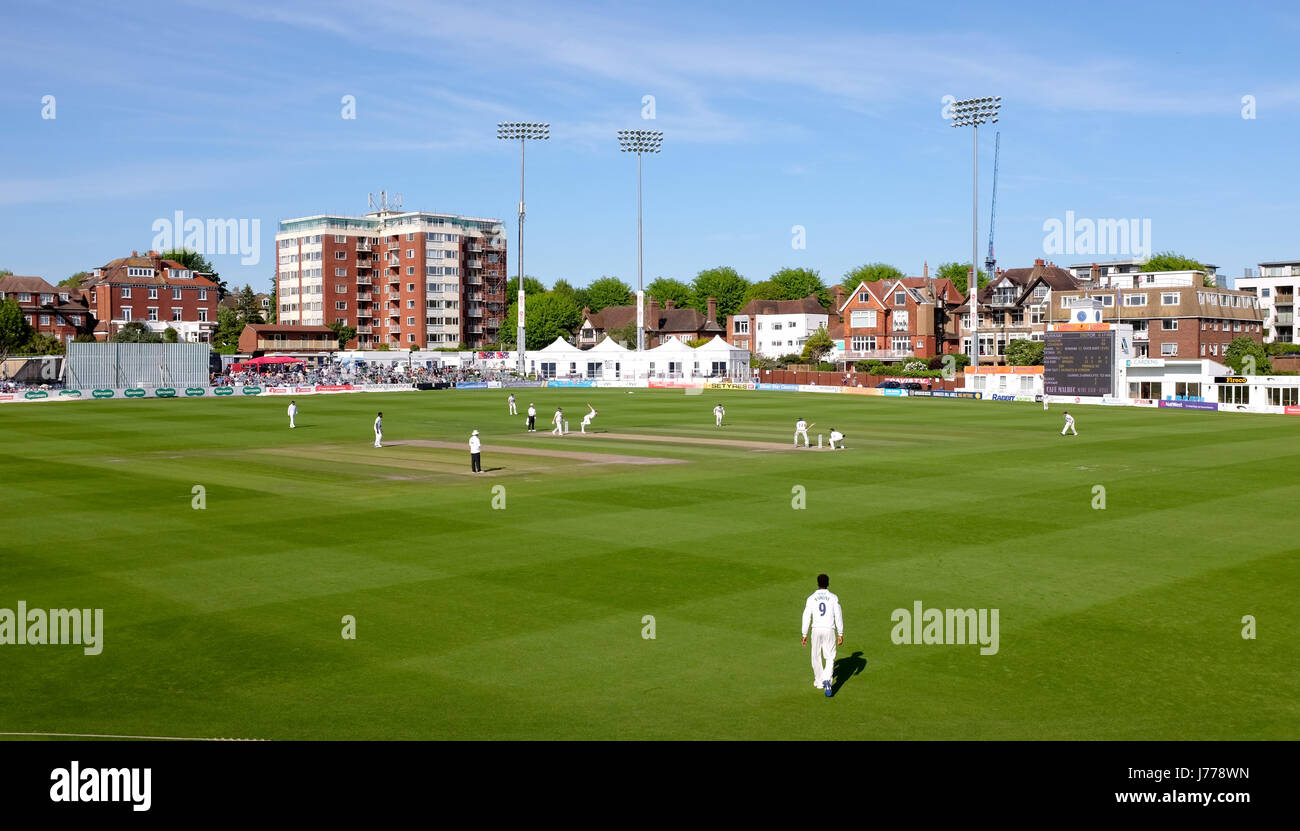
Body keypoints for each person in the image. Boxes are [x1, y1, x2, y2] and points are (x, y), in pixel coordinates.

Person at [801, 573, 844, 697]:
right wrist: (840, 633)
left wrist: (804, 634)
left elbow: (806, 616)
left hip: (815, 629)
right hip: (829, 629)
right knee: (830, 656)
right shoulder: (833, 597)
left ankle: (819, 681)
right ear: (828, 583)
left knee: (815, 655)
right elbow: (838, 615)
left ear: (818, 583)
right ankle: (826, 679)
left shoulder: (811, 598)